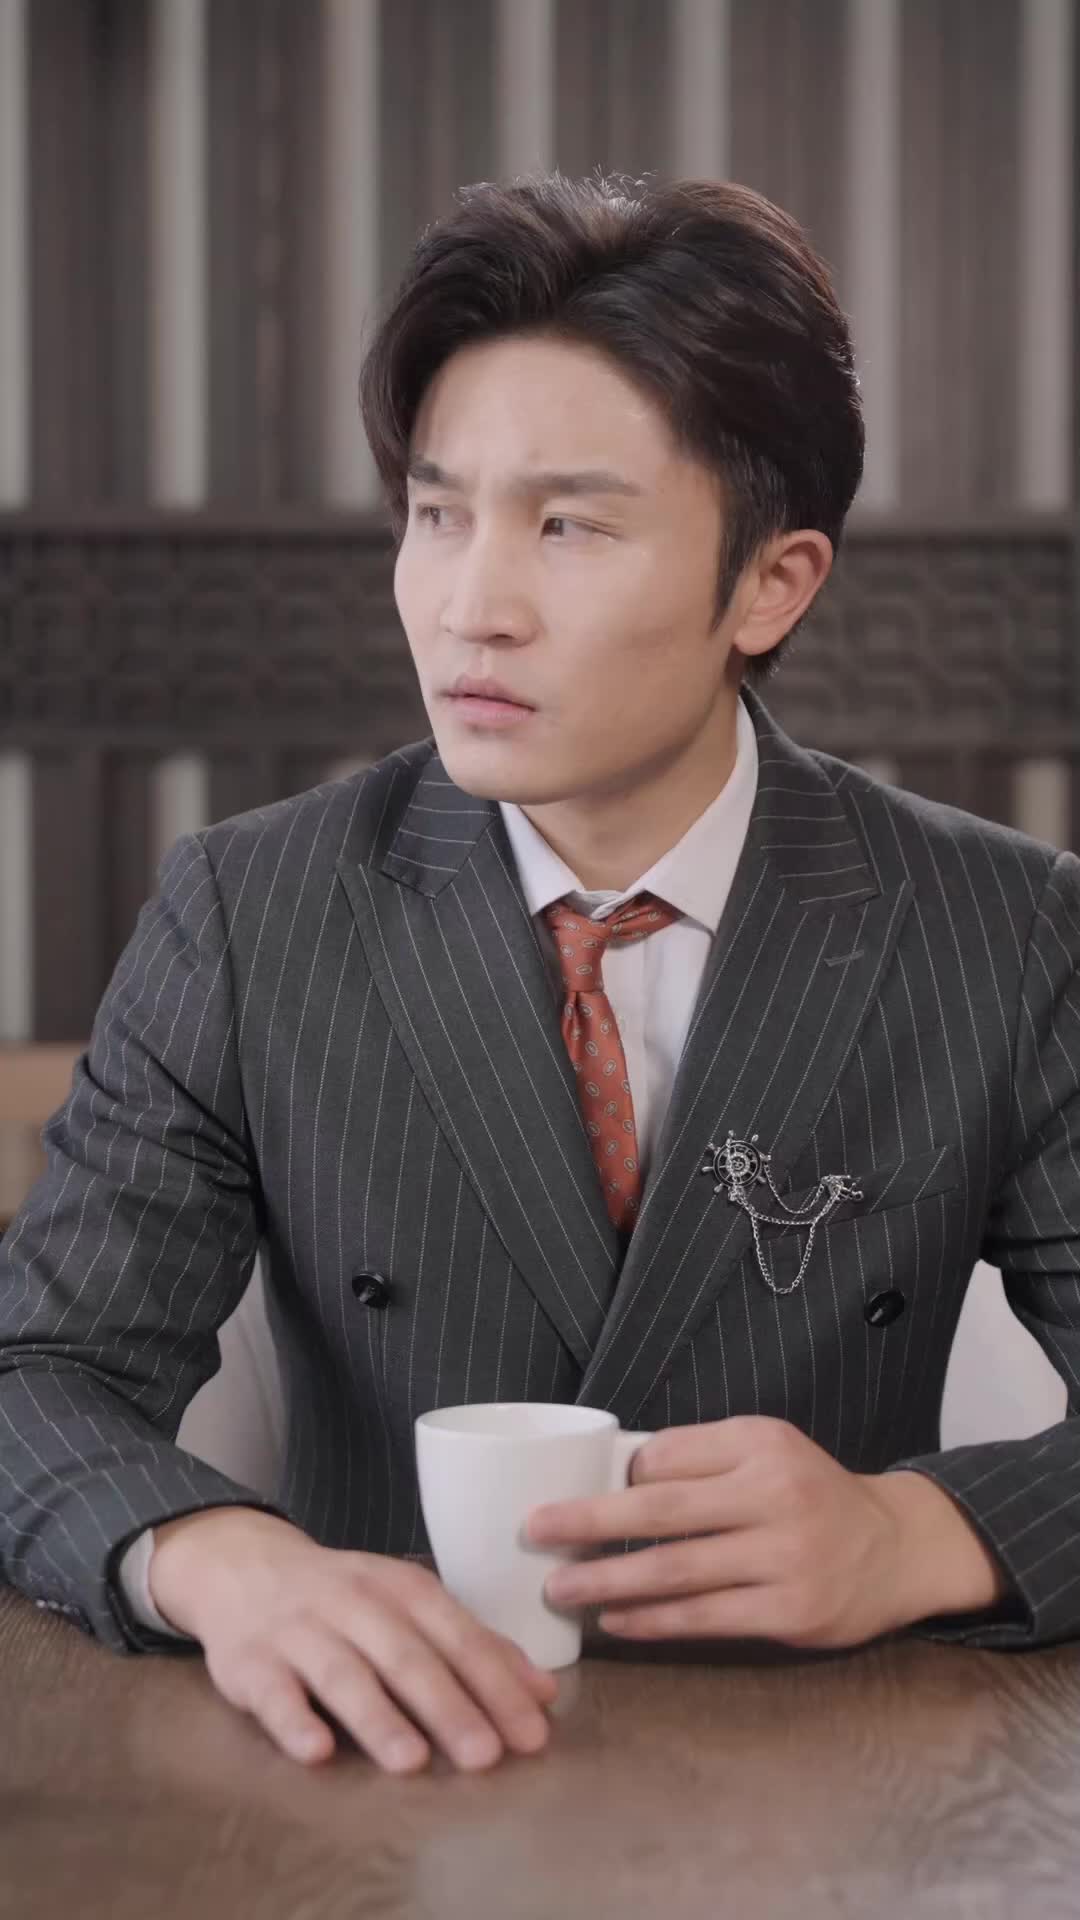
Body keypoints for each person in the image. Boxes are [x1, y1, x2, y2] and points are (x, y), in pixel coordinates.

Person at [2, 171, 1078, 1781]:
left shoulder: (1000, 928)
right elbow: (40, 1375)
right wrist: (223, 1562)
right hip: (370, 1779)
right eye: (440, 514)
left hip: (833, 1780)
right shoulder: (252, 912)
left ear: (773, 582)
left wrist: (913, 1534)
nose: (469, 606)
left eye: (569, 525)